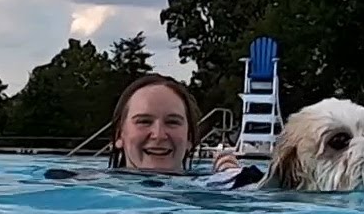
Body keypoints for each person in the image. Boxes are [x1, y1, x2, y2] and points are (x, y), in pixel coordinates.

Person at [104, 73, 260, 188]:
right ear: (119, 135)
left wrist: (232, 175)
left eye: (172, 122)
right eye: (144, 121)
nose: (159, 135)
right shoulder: (94, 183)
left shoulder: (215, 186)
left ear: (189, 138)